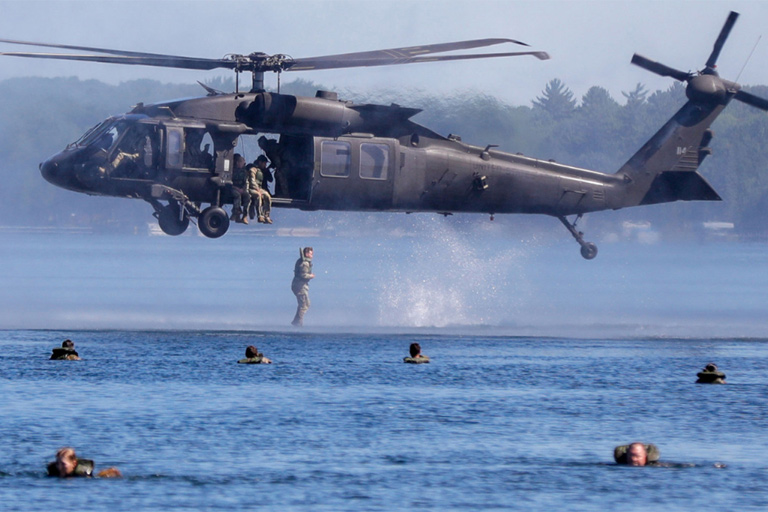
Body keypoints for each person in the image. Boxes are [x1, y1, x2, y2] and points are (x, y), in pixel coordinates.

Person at [47, 447, 121, 478]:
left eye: (63, 464)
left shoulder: (82, 475)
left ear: (74, 464)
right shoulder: (53, 473)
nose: (60, 467)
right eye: (58, 464)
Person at [291, 247, 315, 327]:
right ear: (307, 254)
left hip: (299, 285)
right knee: (303, 305)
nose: (312, 255)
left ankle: (296, 321)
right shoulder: (304, 263)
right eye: (311, 254)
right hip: (300, 286)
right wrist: (310, 276)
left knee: (306, 304)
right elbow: (303, 275)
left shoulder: (302, 261)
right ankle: (298, 324)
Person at [246, 156, 273, 224]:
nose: (265, 165)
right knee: (257, 197)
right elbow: (252, 181)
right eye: (264, 163)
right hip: (252, 188)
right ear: (260, 162)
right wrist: (257, 189)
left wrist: (267, 171)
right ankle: (259, 215)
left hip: (261, 188)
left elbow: (271, 180)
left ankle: (266, 215)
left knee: (268, 196)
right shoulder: (253, 169)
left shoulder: (264, 170)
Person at [229, 154, 251, 224]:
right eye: (241, 162)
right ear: (237, 162)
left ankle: (245, 215)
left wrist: (244, 190)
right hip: (233, 188)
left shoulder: (244, 172)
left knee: (247, 196)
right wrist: (237, 189)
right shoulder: (232, 171)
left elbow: (246, 182)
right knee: (237, 195)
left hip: (241, 189)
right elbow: (229, 183)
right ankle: (236, 213)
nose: (242, 164)